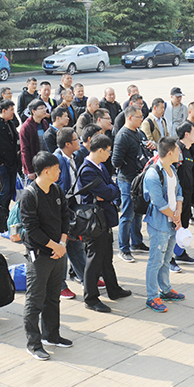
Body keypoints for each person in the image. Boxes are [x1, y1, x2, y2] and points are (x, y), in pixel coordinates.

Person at [20, 151, 72, 361]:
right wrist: (54, 246)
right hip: (40, 255)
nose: (59, 172)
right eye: (57, 168)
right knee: (35, 300)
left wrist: (62, 244)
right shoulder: (29, 196)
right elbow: (32, 229)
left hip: (58, 252)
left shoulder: (56, 190)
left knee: (53, 297)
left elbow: (65, 217)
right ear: (47, 170)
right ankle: (33, 344)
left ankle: (52, 335)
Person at [77, 133, 131, 312]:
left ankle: (113, 289)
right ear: (100, 150)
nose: (109, 154)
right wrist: (109, 191)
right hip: (94, 222)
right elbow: (108, 192)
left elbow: (112, 188)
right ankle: (91, 298)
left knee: (106, 257)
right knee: (94, 259)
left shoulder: (99, 166)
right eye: (108, 151)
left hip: (104, 218)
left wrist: (109, 191)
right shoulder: (87, 170)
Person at [142, 137, 186, 313]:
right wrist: (174, 216)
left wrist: (178, 211)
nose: (179, 153)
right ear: (169, 153)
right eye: (177, 150)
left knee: (166, 259)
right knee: (155, 260)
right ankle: (152, 296)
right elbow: (158, 202)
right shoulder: (153, 174)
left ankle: (165, 289)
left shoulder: (172, 169)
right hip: (159, 224)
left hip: (172, 222)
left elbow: (179, 190)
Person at [112, 105, 151, 262]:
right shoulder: (122, 136)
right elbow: (116, 161)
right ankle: (124, 248)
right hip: (127, 180)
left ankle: (137, 242)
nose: (142, 119)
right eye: (139, 117)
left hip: (138, 179)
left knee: (138, 212)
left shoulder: (139, 133)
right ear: (129, 117)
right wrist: (130, 164)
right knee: (127, 215)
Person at [53, 127, 85, 300]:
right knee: (62, 246)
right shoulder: (57, 160)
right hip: (61, 211)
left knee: (76, 244)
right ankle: (60, 285)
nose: (78, 141)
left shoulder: (74, 157)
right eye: (75, 139)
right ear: (67, 144)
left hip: (73, 207)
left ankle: (85, 276)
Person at [173, 122, 194, 266]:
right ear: (186, 134)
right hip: (178, 197)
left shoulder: (189, 150)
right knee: (175, 227)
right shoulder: (177, 150)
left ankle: (180, 253)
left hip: (187, 196)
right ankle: (171, 258)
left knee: (183, 225)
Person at [0, 99, 21, 213]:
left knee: (11, 190)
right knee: (4, 191)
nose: (13, 112)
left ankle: (5, 213)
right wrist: (0, 163)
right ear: (3, 110)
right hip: (2, 165)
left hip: (13, 163)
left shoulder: (10, 124)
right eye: (11, 110)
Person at [20, 100, 50, 182]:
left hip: (45, 162)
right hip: (33, 166)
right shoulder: (26, 127)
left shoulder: (44, 123)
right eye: (41, 108)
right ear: (33, 111)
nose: (44, 110)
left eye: (45, 108)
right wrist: (30, 170)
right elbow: (25, 150)